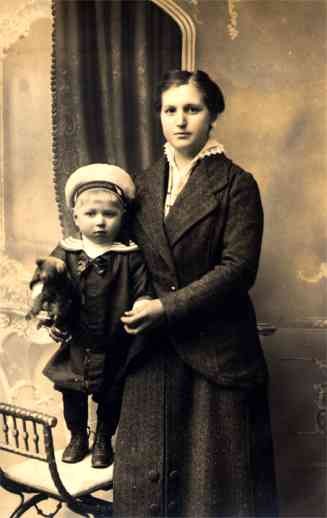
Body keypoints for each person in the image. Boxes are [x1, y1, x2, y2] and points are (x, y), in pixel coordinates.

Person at [114, 70, 278, 516]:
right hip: (152, 355)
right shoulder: (140, 186)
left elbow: (238, 269)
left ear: (214, 116)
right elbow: (116, 252)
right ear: (159, 117)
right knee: (147, 492)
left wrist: (167, 307)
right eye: (171, 110)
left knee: (215, 494)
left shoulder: (236, 185)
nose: (181, 120)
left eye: (193, 108)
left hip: (217, 355)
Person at [30, 163, 152, 468]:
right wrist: (50, 306)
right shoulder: (67, 252)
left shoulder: (129, 256)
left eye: (109, 214)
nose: (100, 222)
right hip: (77, 342)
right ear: (76, 217)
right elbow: (49, 282)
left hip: (114, 341)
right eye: (91, 214)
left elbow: (144, 291)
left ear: (122, 216)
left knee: (111, 394)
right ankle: (77, 436)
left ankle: (102, 440)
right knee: (72, 392)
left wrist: (143, 304)